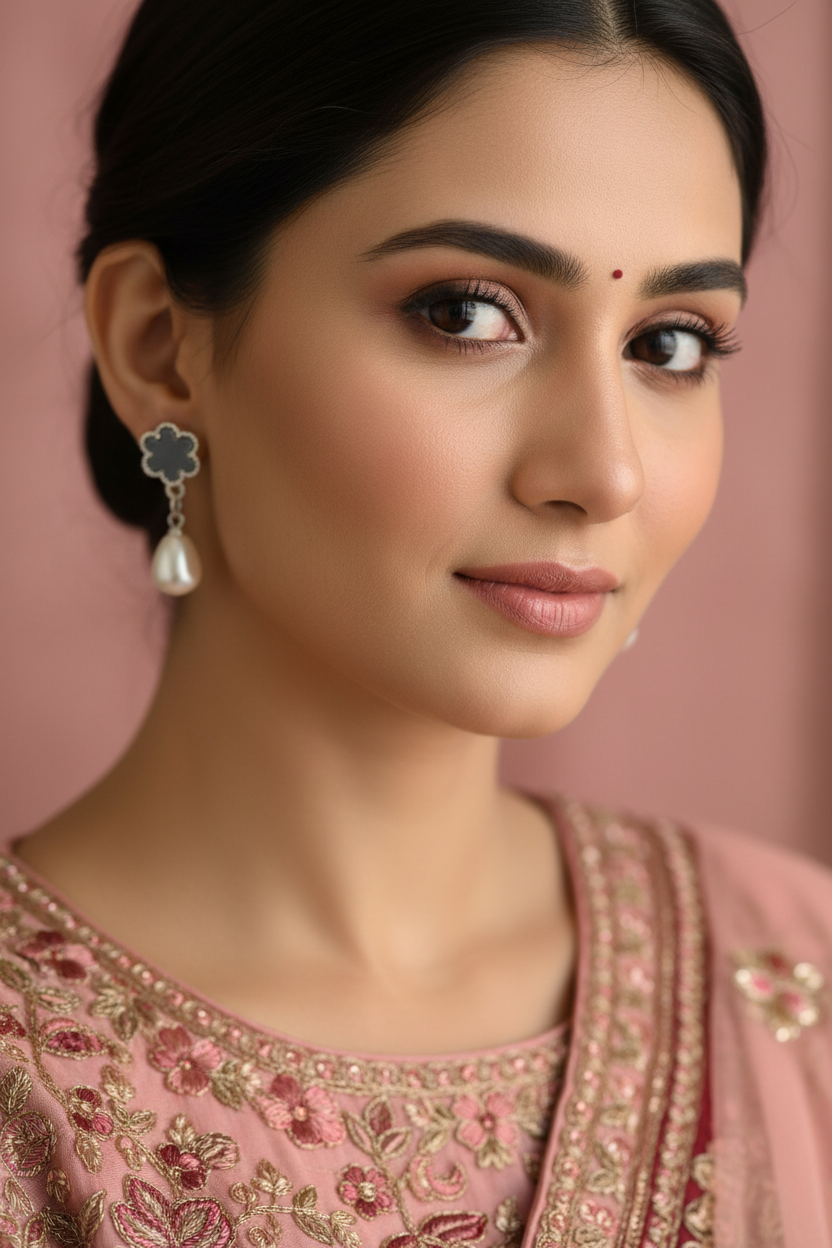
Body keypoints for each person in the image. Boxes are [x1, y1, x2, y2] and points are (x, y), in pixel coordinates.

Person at [0, 1, 828, 1245]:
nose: (603, 473)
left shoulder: (796, 982)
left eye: (668, 342)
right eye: (465, 314)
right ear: (160, 347)